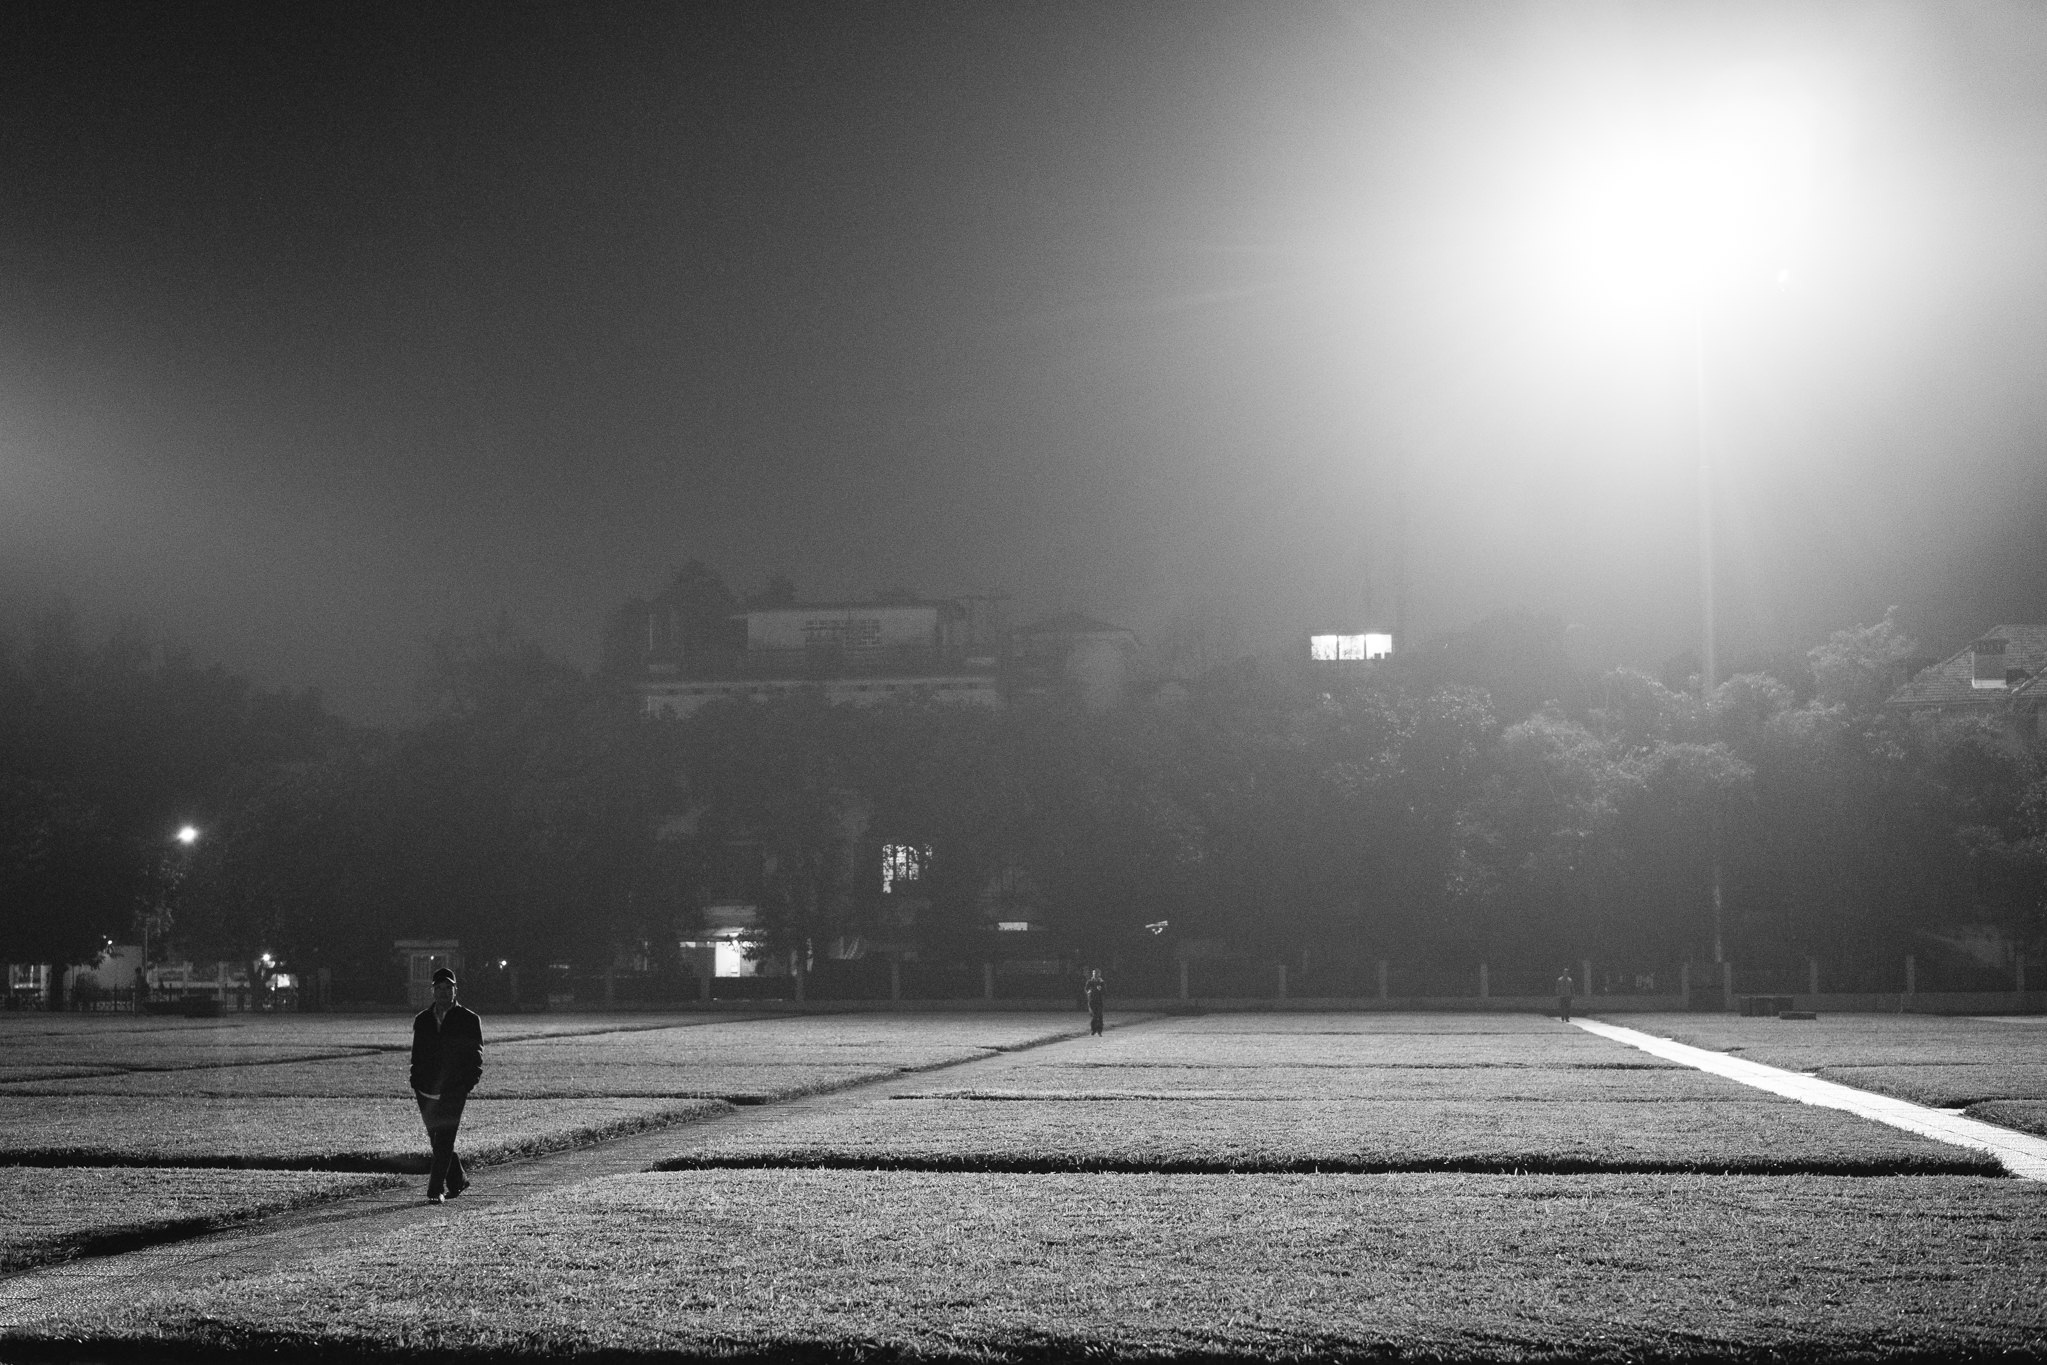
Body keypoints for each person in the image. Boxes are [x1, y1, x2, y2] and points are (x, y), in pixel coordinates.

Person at [410, 967, 483, 1203]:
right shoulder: (422, 1020)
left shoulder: (469, 1019)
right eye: (439, 988)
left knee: (444, 1140)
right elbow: (417, 1055)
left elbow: (475, 1057)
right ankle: (458, 1180)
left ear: (455, 990)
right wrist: (416, 1080)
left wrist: (466, 1085)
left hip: (454, 1090)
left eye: (448, 988)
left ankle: (435, 1190)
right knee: (437, 1140)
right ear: (433, 991)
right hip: (425, 1090)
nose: (443, 992)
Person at [1085, 969, 1105, 1036]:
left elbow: (1105, 991)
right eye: (1093, 973)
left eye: (1096, 973)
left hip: (1099, 1001)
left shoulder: (1101, 982)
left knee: (1099, 1016)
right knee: (1094, 1016)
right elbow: (1086, 988)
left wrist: (1101, 989)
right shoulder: (1090, 981)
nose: (1095, 974)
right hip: (1092, 1001)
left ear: (1099, 974)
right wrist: (1088, 991)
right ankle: (1093, 1030)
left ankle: (1099, 1031)